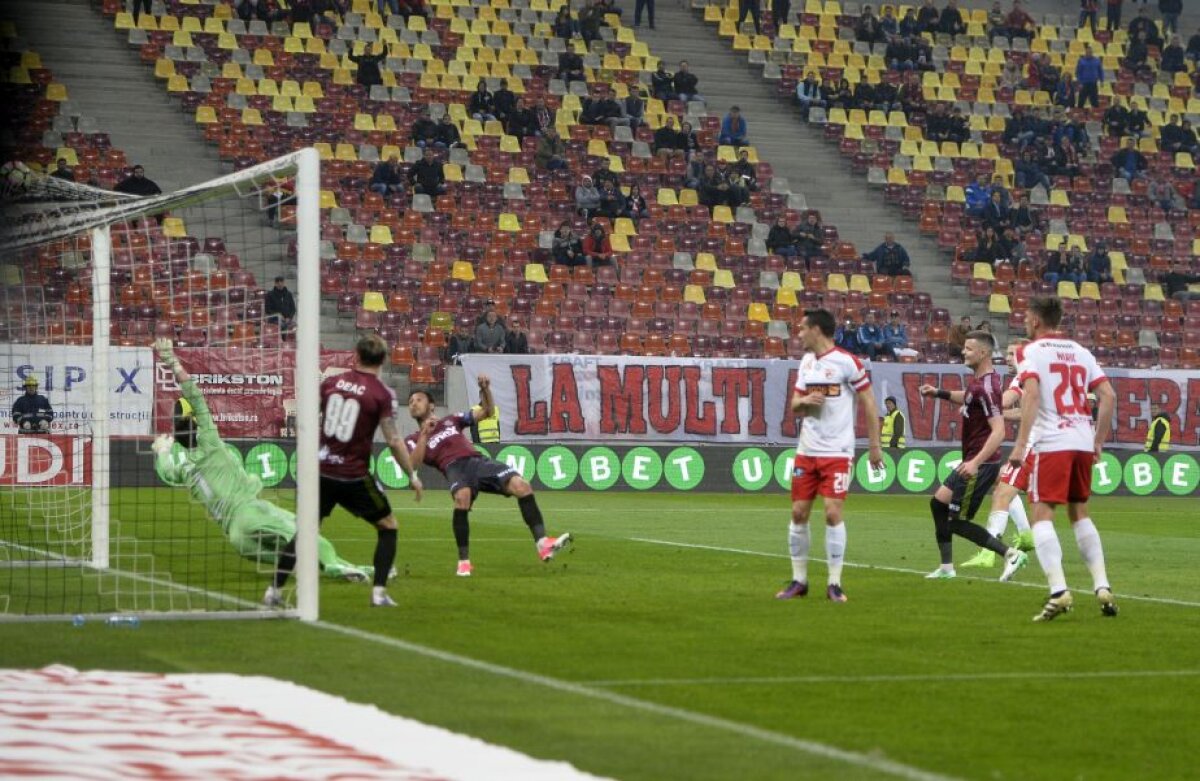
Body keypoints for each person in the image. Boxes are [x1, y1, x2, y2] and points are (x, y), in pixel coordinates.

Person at [151, 340, 374, 582]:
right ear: (195, 422)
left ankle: (351, 569)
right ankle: (334, 565)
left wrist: (162, 449)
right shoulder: (210, 443)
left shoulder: (184, 469)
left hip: (237, 537)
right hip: (250, 512)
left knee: (296, 557)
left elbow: (167, 471)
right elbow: (194, 394)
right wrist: (171, 360)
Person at [267, 334, 423, 608]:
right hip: (352, 475)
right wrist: (411, 474)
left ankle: (275, 591)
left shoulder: (329, 384)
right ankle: (379, 593)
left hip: (321, 471)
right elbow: (394, 440)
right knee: (388, 526)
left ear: (356, 356)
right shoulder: (382, 394)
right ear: (384, 360)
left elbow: (307, 415)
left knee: (306, 530)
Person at [1007, 296, 1118, 621]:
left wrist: (1020, 444)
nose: (1026, 322)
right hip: (1082, 439)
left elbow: (1032, 394)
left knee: (1042, 515)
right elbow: (1108, 395)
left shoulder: (1029, 351)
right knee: (1079, 513)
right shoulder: (1081, 352)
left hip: (1052, 440)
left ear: (1036, 321)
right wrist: (1097, 441)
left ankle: (1059, 591)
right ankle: (1102, 586)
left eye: (1027, 317)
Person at [405, 379, 571, 577]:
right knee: (462, 498)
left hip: (479, 461)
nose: (413, 403)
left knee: (522, 485)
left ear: (431, 405)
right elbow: (413, 464)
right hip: (455, 468)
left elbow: (487, 412)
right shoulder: (412, 439)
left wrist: (485, 389)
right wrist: (424, 434)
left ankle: (542, 543)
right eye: (410, 402)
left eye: (418, 399)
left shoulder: (451, 420)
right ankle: (464, 562)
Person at [776, 308, 883, 603]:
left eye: (802, 328)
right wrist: (806, 400)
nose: (798, 334)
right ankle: (799, 581)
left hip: (837, 452)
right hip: (806, 451)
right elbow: (795, 404)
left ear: (817, 330)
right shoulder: (807, 362)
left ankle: (834, 583)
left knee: (833, 512)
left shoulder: (847, 363)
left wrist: (874, 446)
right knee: (798, 513)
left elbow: (870, 404)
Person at [920, 331, 1030, 581]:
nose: (963, 352)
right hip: (972, 459)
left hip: (979, 464)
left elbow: (999, 430)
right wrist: (938, 392)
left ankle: (1010, 554)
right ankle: (947, 568)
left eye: (968, 349)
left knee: (956, 521)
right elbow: (968, 398)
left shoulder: (987, 387)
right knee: (938, 504)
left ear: (983, 353)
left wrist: (974, 463)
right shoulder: (979, 382)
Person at [968, 339, 1035, 568]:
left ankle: (989, 551)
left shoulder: (1028, 375)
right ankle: (1026, 535)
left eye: (1010, 353)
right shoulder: (1027, 376)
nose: (1006, 358)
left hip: (1037, 445)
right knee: (1003, 485)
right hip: (1050, 445)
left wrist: (981, 404)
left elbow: (1013, 407)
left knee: (1002, 491)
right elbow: (1008, 404)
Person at [1074, 44, 1102, 109]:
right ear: (1085, 52)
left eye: (1090, 52)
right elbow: (1078, 72)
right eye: (1087, 52)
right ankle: (1079, 115)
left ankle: (1096, 116)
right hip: (1084, 84)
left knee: (1095, 102)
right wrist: (1079, 82)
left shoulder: (1097, 60)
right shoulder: (1081, 61)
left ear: (1092, 53)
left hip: (1093, 84)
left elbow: (1100, 71)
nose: (1089, 53)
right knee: (1081, 102)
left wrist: (1102, 80)